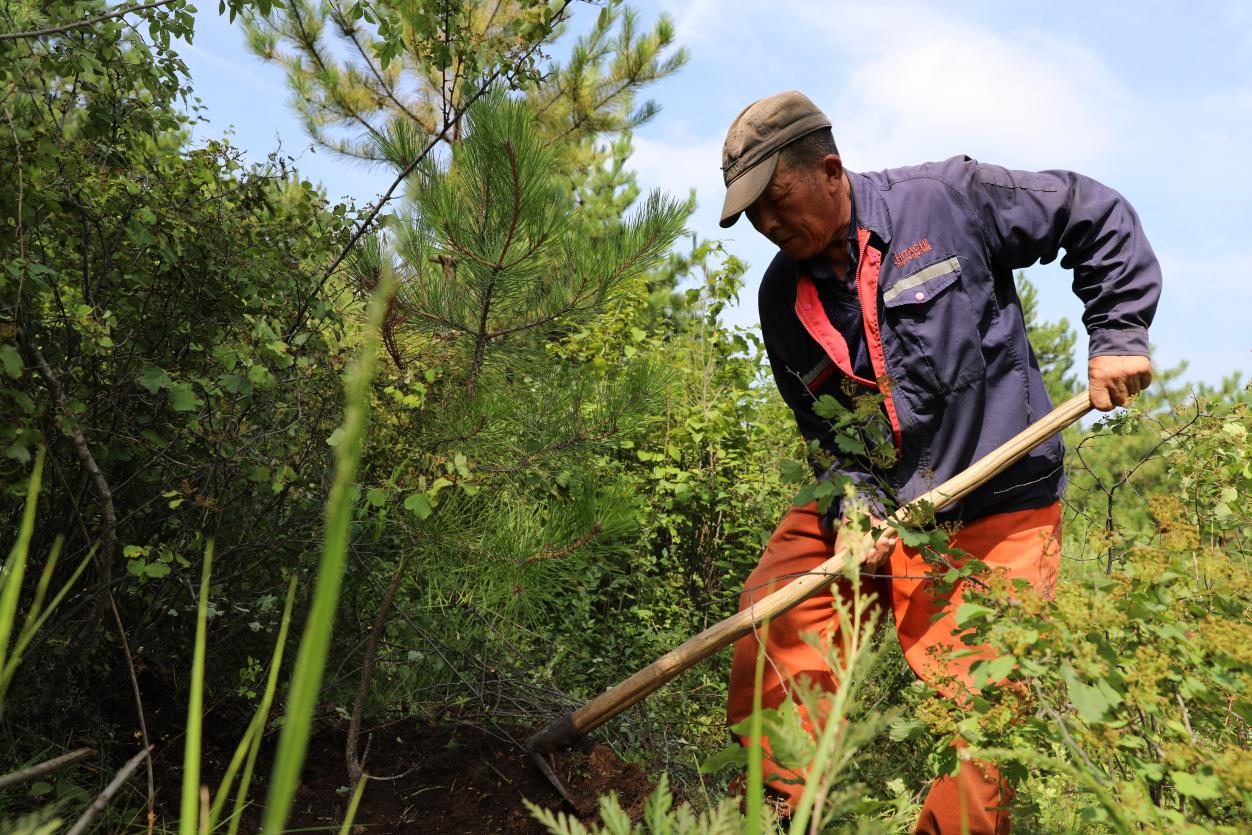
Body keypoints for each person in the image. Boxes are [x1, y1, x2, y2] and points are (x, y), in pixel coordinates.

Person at [719, 91, 1160, 834]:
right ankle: (782, 812)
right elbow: (824, 433)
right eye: (752, 215)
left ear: (830, 170)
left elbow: (1093, 212)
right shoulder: (781, 299)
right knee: (775, 610)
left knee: (987, 715)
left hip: (998, 503)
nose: (767, 224)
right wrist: (856, 505)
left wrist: (1118, 334)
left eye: (775, 201)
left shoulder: (946, 200)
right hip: (883, 503)